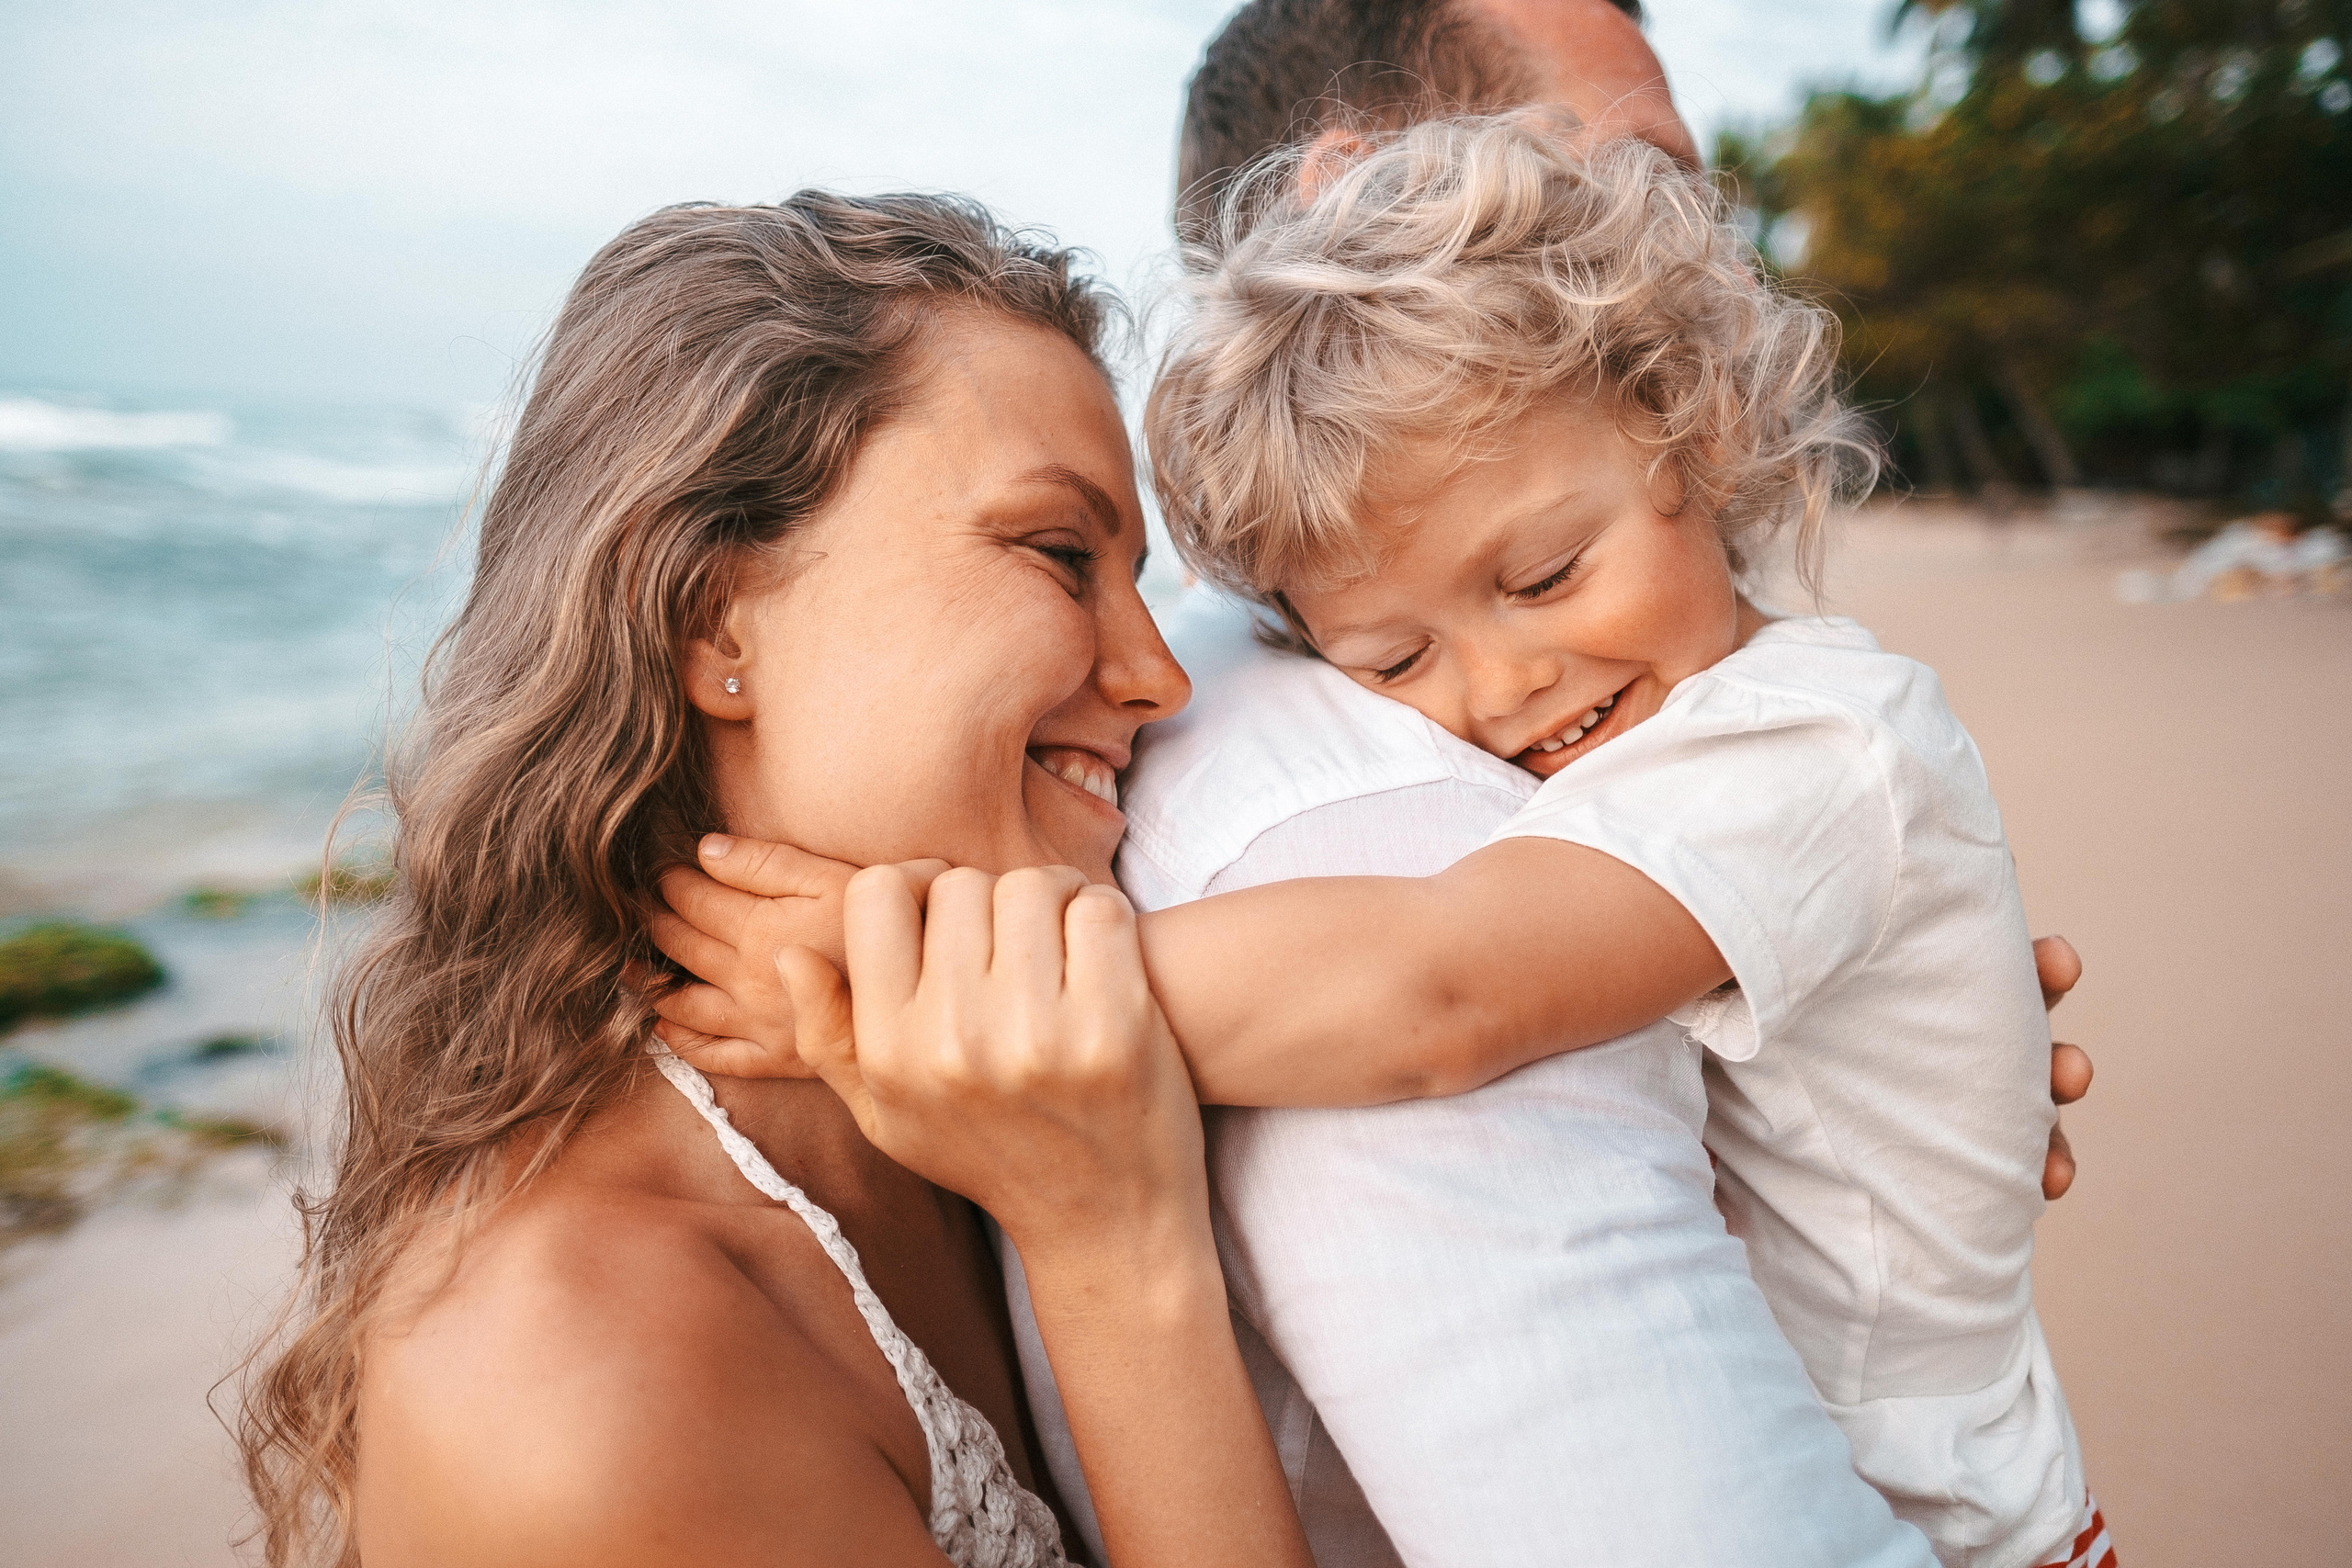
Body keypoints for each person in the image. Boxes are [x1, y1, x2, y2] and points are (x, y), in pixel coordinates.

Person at [234, 192, 1317, 1568]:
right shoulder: (581, 1376)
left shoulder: (982, 1076)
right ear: (710, 617)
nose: (1159, 677)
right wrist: (1114, 1242)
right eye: (1061, 556)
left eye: (1139, 580)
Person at [1133, 118, 2114, 1568]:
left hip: (1955, 1517)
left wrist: (932, 989)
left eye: (1543, 577)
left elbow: (1435, 992)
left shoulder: (1813, 748)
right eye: (1395, 664)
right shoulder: (1689, 733)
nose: (1499, 684)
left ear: (1694, 432)